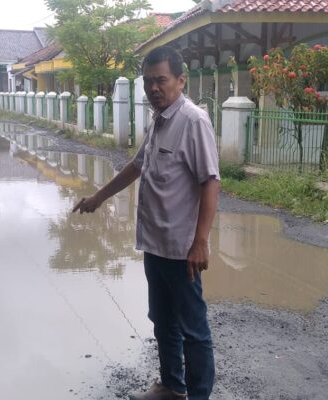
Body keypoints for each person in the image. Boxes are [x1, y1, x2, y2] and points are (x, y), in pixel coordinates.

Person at [72, 45, 219, 400]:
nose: (154, 88)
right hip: (154, 243)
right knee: (163, 321)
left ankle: (199, 396)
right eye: (149, 82)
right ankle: (171, 386)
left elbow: (210, 181)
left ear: (180, 81)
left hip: (182, 249)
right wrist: (98, 198)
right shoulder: (159, 120)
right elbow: (137, 166)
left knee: (193, 329)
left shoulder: (193, 121)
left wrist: (200, 242)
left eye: (162, 81)